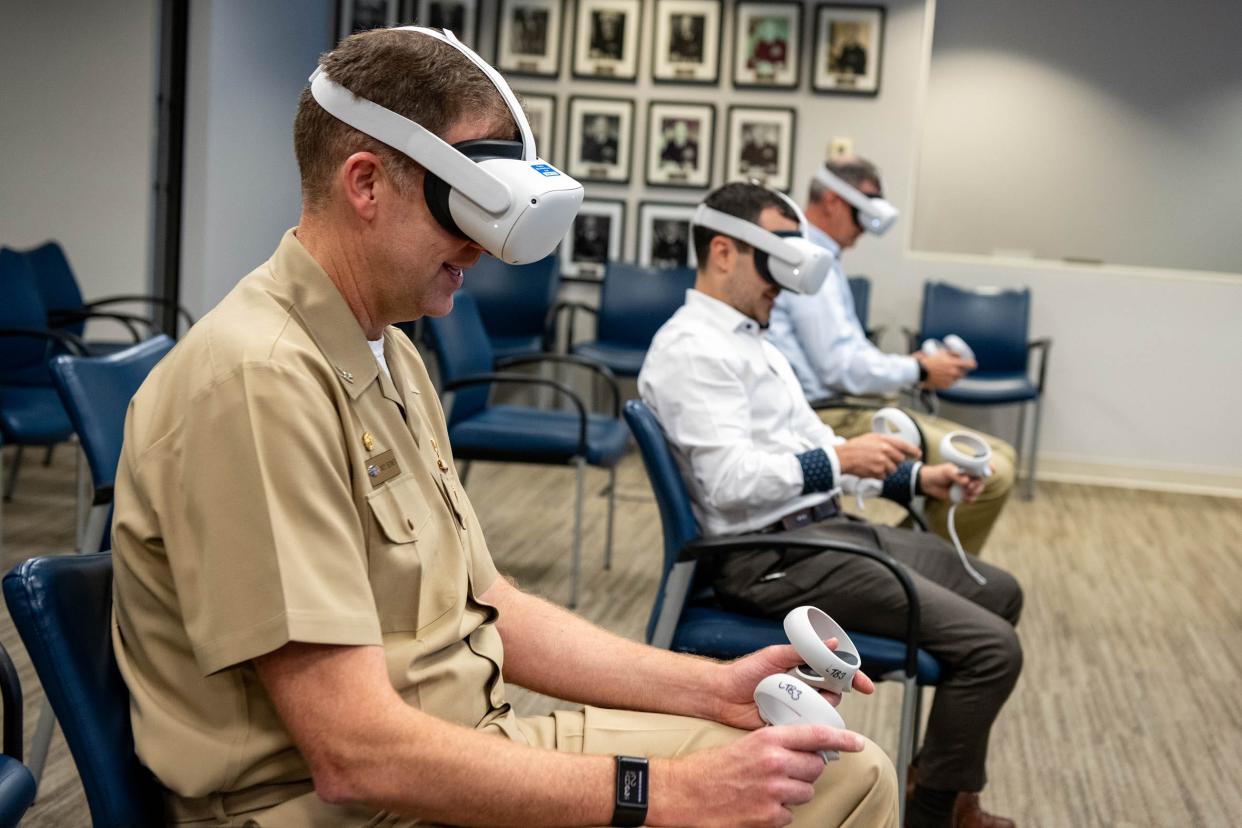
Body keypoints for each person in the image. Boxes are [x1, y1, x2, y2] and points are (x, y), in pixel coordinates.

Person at [110, 28, 898, 827]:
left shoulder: (390, 356)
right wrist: (668, 796)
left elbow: (490, 605)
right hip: (345, 805)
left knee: (838, 769)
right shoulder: (261, 382)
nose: (484, 248)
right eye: (468, 205)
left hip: (461, 740)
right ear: (365, 184)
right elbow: (353, 754)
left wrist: (710, 684)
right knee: (814, 790)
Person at [639, 182, 1024, 828]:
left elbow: (816, 448)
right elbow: (733, 483)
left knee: (1000, 591)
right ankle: (936, 814)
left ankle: (941, 777)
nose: (784, 286)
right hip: (768, 560)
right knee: (994, 650)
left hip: (821, 533)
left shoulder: (753, 342)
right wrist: (838, 461)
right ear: (725, 253)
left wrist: (913, 482)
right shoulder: (691, 351)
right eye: (774, 263)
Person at [766, 156, 1017, 556]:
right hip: (829, 411)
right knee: (991, 473)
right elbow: (838, 368)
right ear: (832, 200)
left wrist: (911, 365)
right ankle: (919, 570)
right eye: (860, 214)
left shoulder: (822, 257)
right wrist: (917, 369)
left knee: (1003, 455)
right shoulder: (806, 259)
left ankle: (907, 562)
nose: (865, 230)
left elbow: (847, 351)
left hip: (847, 402)